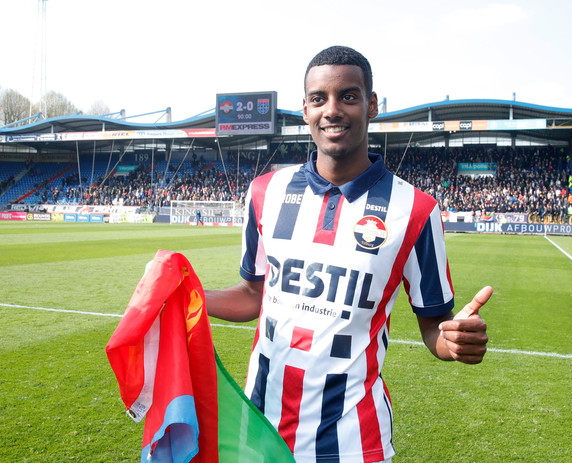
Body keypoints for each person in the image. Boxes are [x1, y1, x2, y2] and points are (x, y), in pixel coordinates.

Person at [204, 45, 491, 463]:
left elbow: (434, 326)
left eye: (349, 96)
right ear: (304, 109)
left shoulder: (416, 210)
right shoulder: (265, 191)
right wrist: (189, 294)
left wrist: (452, 342)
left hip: (354, 443)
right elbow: (252, 294)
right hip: (258, 432)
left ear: (371, 105)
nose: (332, 110)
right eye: (319, 99)